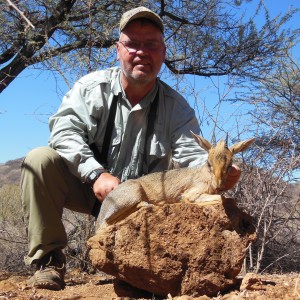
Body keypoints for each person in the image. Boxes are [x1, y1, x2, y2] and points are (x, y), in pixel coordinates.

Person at [21, 6, 241, 290]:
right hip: (88, 186)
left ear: (163, 53)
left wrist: (219, 174)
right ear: (118, 50)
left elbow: (193, 158)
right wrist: (95, 173)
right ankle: (48, 261)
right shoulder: (91, 88)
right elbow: (64, 133)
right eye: (132, 44)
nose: (141, 52)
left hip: (142, 204)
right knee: (39, 160)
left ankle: (154, 270)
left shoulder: (177, 107)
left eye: (151, 45)